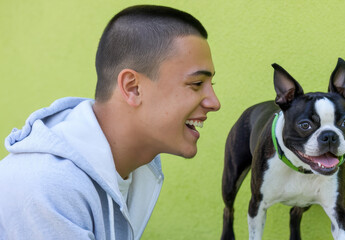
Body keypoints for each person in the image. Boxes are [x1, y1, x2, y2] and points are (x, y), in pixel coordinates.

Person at [0, 5, 220, 240]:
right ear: (132, 88)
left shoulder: (135, 172)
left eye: (211, 86)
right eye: (196, 84)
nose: (214, 102)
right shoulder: (48, 188)